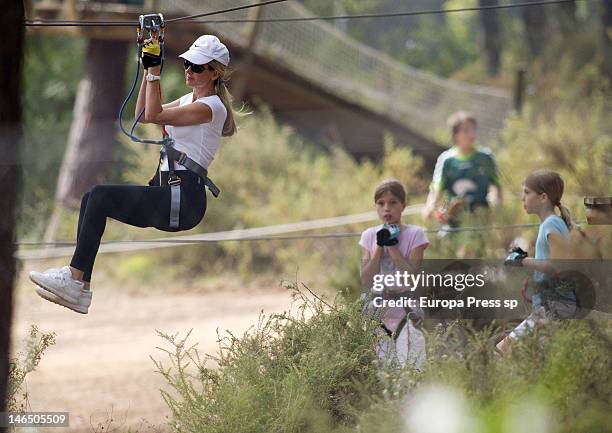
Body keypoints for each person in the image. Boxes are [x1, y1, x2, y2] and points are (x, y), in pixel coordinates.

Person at [29, 35, 237, 314]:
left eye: (197, 67)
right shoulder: (190, 99)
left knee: (101, 196)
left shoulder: (211, 107)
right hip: (170, 191)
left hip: (183, 198)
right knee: (92, 196)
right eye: (187, 64)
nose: (189, 70)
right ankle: (80, 287)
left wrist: (154, 73)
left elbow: (155, 114)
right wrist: (147, 67)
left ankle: (74, 277)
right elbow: (143, 114)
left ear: (215, 73)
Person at [496, 169, 577, 352]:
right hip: (549, 305)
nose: (522, 199)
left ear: (543, 197)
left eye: (527, 193)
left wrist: (521, 261)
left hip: (555, 307)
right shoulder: (551, 223)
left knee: (504, 351)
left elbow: (556, 266)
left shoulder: (551, 224)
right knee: (527, 357)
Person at [360, 179, 429, 368]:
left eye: (393, 203)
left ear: (403, 206)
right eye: (381, 204)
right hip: (379, 314)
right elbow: (366, 279)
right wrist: (379, 246)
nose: (386, 209)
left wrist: (393, 248)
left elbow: (410, 278)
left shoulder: (415, 234)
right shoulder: (369, 236)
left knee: (411, 368)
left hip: (406, 313)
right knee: (384, 373)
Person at [421, 111, 502, 226]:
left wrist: (497, 205)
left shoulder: (486, 157)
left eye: (473, 130)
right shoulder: (446, 160)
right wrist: (429, 207)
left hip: (481, 218)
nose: (471, 134)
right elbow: (436, 190)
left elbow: (497, 187)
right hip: (453, 218)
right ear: (455, 134)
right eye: (466, 130)